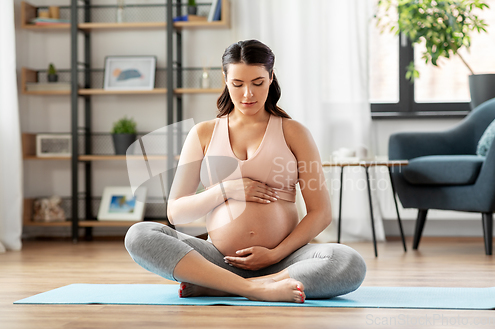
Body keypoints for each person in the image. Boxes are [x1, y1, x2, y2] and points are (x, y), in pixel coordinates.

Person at [125, 40, 366, 303]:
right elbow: (176, 211)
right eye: (238, 84)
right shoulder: (203, 134)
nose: (248, 94)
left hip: (284, 262)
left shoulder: (294, 132)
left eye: (258, 83)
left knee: (349, 262)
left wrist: (275, 254)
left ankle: (228, 286)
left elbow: (321, 213)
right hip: (217, 259)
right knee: (139, 235)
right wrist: (226, 190)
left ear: (271, 77)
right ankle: (251, 288)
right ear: (225, 78)